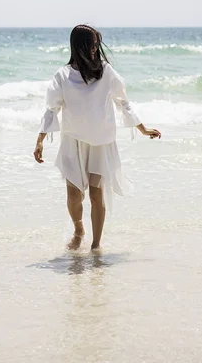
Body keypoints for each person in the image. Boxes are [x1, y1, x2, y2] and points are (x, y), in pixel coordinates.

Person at [33, 24, 161, 251]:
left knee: (95, 194)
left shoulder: (106, 71)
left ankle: (95, 245)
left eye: (96, 44)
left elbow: (123, 101)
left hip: (101, 141)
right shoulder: (63, 75)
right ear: (79, 45)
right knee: (74, 196)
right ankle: (79, 229)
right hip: (73, 140)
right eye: (91, 44)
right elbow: (51, 108)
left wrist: (142, 128)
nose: (95, 48)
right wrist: (40, 140)